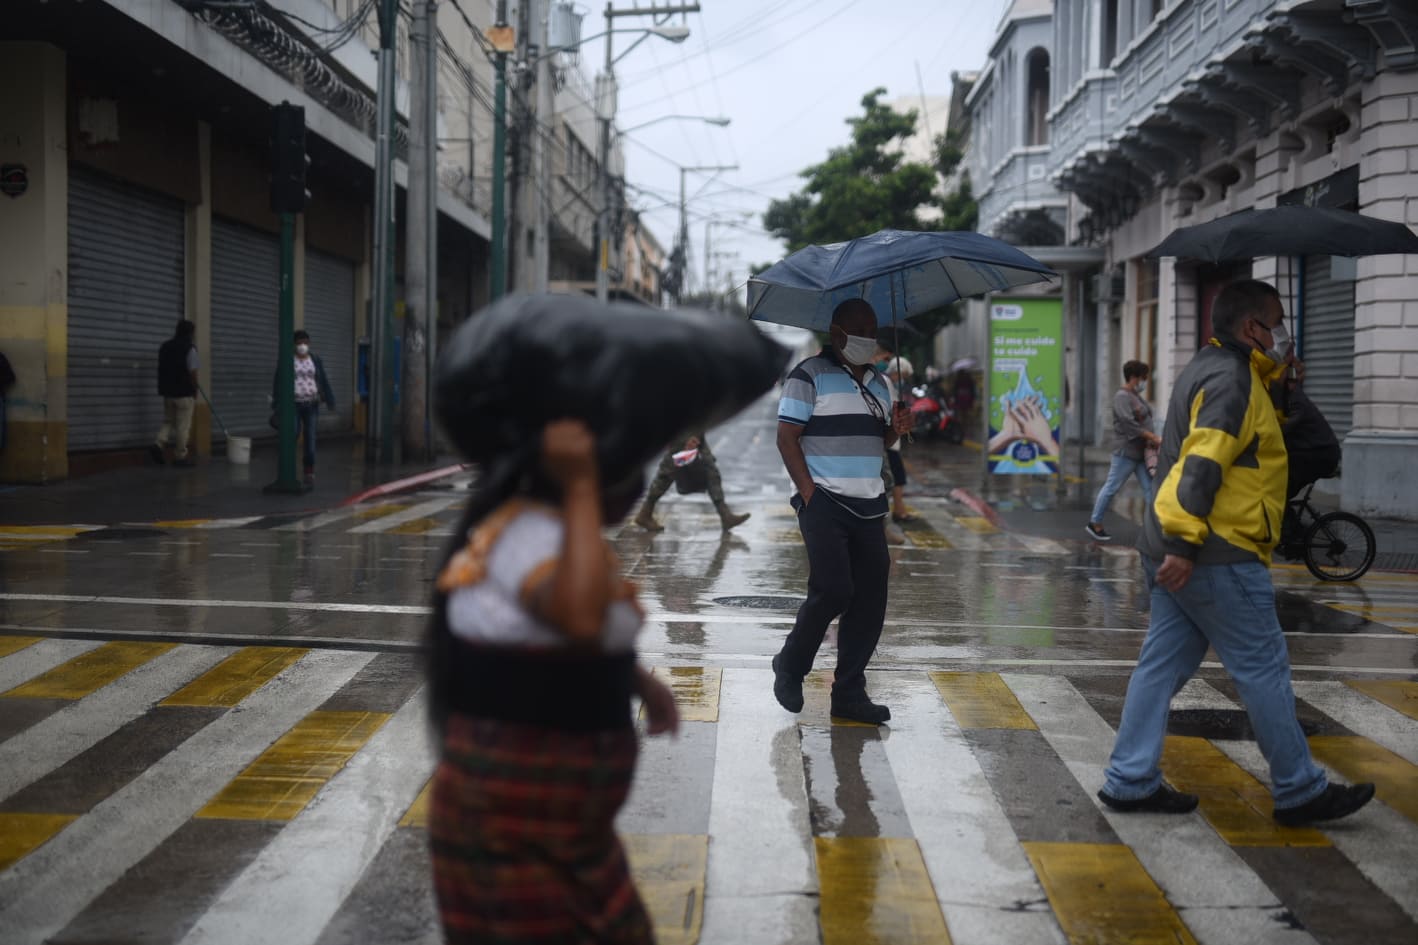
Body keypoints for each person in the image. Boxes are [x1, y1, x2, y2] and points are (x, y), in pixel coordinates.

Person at [1099, 280, 1373, 826]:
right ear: (1252, 329)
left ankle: (1130, 780)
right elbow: (1202, 464)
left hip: (1186, 546)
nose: (1281, 334)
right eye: (1275, 324)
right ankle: (1299, 789)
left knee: (1160, 666)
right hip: (1214, 551)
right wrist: (1183, 542)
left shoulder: (1216, 368)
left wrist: (1281, 380)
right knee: (1264, 669)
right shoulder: (1231, 381)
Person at [427, 419, 679, 944]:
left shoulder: (560, 528)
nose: (638, 486)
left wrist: (639, 684)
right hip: (513, 821)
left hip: (565, 827)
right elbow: (581, 619)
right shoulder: (534, 533)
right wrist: (582, 483)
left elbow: (551, 639)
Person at [770, 299, 913, 725]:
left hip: (870, 504)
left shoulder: (880, 382)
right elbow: (786, 438)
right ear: (837, 333)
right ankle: (791, 665)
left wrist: (896, 428)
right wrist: (809, 493)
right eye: (860, 329)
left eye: (873, 328)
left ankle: (849, 692)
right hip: (825, 502)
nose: (869, 337)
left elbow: (877, 441)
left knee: (870, 599)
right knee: (833, 589)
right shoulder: (807, 376)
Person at [1085, 360, 1161, 541]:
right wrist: (1152, 437)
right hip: (1126, 452)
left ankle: (1155, 528)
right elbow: (1128, 423)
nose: (1145, 382)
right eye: (1143, 378)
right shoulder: (1122, 397)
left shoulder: (1134, 395)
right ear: (1134, 377)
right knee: (1112, 487)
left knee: (1150, 490)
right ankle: (1094, 523)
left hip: (1140, 452)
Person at [633, 430, 750, 532]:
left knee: (710, 470)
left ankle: (726, 516)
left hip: (694, 429)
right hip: (685, 431)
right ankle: (645, 513)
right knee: (667, 473)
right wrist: (688, 436)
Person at [272, 329, 336, 486]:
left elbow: (323, 379)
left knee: (310, 438)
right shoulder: (288, 360)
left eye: (305, 343)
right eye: (299, 343)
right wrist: (277, 402)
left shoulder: (315, 359)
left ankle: (309, 471)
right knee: (292, 433)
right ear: (294, 344)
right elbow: (278, 381)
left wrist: (329, 400)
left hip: (311, 404)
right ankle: (288, 468)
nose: (302, 346)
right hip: (293, 404)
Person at [874, 348, 915, 525]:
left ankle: (897, 510)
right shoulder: (884, 382)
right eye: (903, 375)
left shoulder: (886, 382)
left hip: (892, 441)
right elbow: (889, 409)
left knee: (896, 477)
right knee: (892, 479)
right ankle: (893, 514)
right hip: (887, 443)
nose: (903, 379)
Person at [152, 319, 199, 467]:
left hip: (168, 393)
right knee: (182, 426)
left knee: (168, 421)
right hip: (184, 394)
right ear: (190, 333)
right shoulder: (190, 348)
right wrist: (195, 389)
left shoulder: (165, 347)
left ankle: (158, 444)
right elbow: (193, 372)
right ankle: (180, 457)